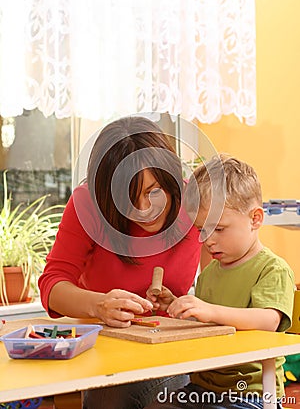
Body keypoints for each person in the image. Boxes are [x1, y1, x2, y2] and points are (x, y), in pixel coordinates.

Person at [38, 115, 202, 409]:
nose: (144, 210)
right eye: (127, 198)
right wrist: (99, 305)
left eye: (153, 191)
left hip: (173, 350)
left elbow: (240, 254)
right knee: (112, 395)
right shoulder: (88, 204)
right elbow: (52, 285)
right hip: (107, 353)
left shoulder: (194, 201)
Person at [145, 153, 295, 409]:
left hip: (251, 393)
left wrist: (208, 309)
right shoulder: (210, 273)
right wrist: (179, 307)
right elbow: (211, 325)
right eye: (202, 229)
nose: (207, 240)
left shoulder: (272, 269)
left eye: (219, 228)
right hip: (204, 388)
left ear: (255, 219)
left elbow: (269, 321)